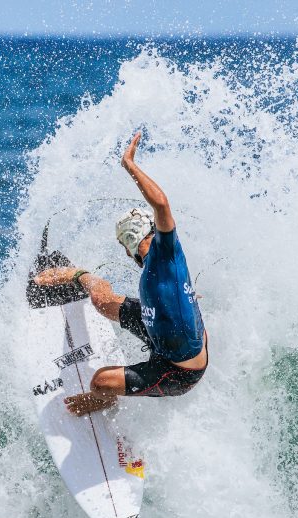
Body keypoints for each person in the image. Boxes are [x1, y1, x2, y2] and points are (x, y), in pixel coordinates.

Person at [33, 131, 208, 416]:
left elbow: (162, 204)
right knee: (104, 303)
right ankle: (79, 275)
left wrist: (130, 165)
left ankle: (105, 398)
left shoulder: (165, 253)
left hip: (179, 371)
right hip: (165, 331)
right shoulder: (155, 266)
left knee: (101, 381)